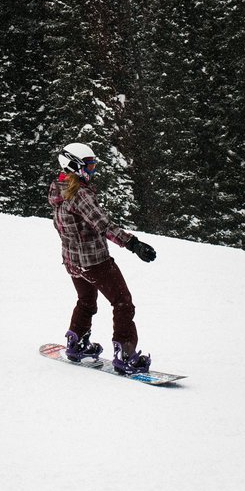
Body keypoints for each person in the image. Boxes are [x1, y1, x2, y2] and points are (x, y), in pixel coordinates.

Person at [48, 141, 158, 375]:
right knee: (122, 302)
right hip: (95, 262)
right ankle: (126, 356)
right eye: (88, 166)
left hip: (73, 263)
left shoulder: (57, 190)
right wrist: (133, 243)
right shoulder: (80, 195)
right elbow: (103, 225)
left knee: (86, 301)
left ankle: (77, 343)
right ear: (73, 166)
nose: (92, 171)